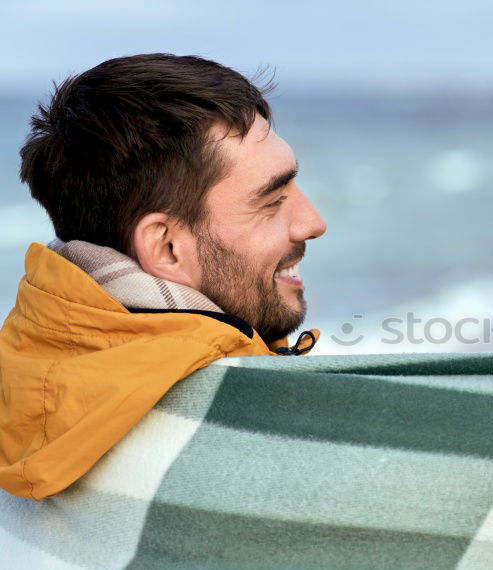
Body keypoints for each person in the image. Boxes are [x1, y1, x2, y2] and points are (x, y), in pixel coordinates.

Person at [0, 54, 327, 501]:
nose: (312, 222)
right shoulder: (245, 434)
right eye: (271, 202)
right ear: (166, 249)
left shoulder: (22, 381)